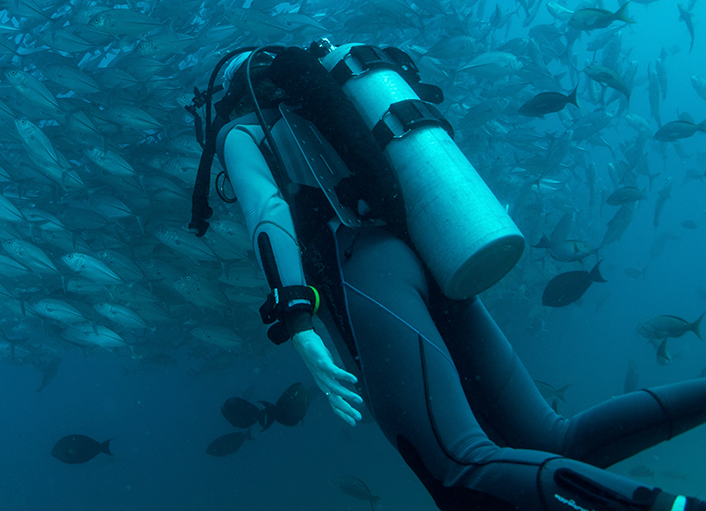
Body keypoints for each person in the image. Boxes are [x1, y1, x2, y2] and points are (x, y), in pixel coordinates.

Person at [186, 41, 706, 511]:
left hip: (368, 274)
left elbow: (268, 212)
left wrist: (299, 323)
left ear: (230, 95)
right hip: (427, 256)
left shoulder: (241, 133)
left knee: (459, 468)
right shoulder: (333, 115)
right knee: (553, 439)